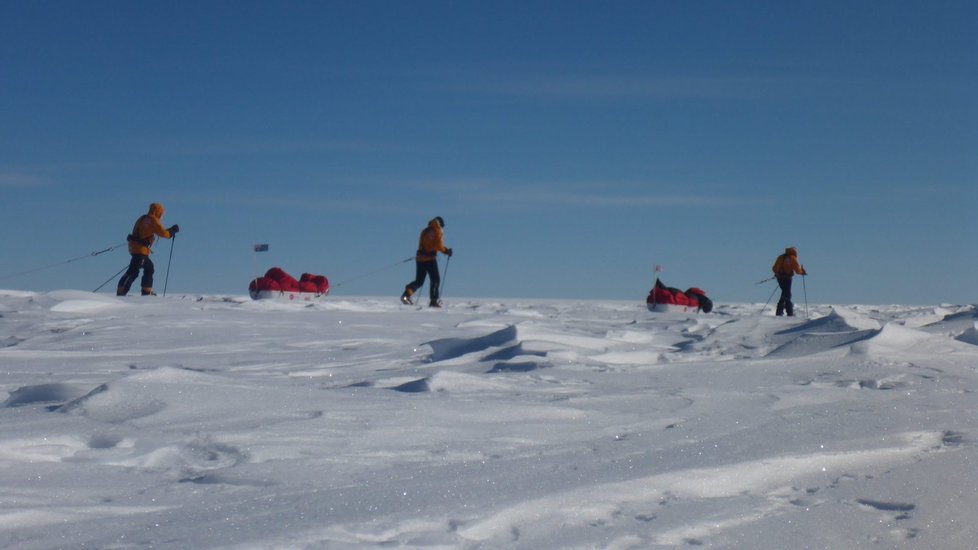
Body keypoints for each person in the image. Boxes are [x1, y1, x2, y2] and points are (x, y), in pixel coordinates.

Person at [117, 203, 179, 296]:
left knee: (149, 268)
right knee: (133, 271)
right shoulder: (153, 220)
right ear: (159, 212)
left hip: (135, 248)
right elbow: (163, 233)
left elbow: (148, 231)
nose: (161, 216)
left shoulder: (142, 218)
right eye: (161, 214)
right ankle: (122, 292)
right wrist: (172, 231)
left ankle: (145, 291)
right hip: (140, 250)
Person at [400, 216, 452, 307]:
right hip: (430, 259)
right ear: (440, 224)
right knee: (435, 279)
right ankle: (433, 301)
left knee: (419, 281)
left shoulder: (425, 231)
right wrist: (446, 251)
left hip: (420, 258)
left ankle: (406, 295)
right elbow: (438, 245)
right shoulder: (437, 230)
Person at [772, 246, 807, 316]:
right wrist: (802, 272)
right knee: (787, 294)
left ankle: (787, 312)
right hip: (787, 278)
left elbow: (774, 268)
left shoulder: (780, 257)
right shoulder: (792, 258)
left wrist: (777, 273)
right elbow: (797, 270)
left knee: (786, 293)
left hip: (780, 278)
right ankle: (783, 311)